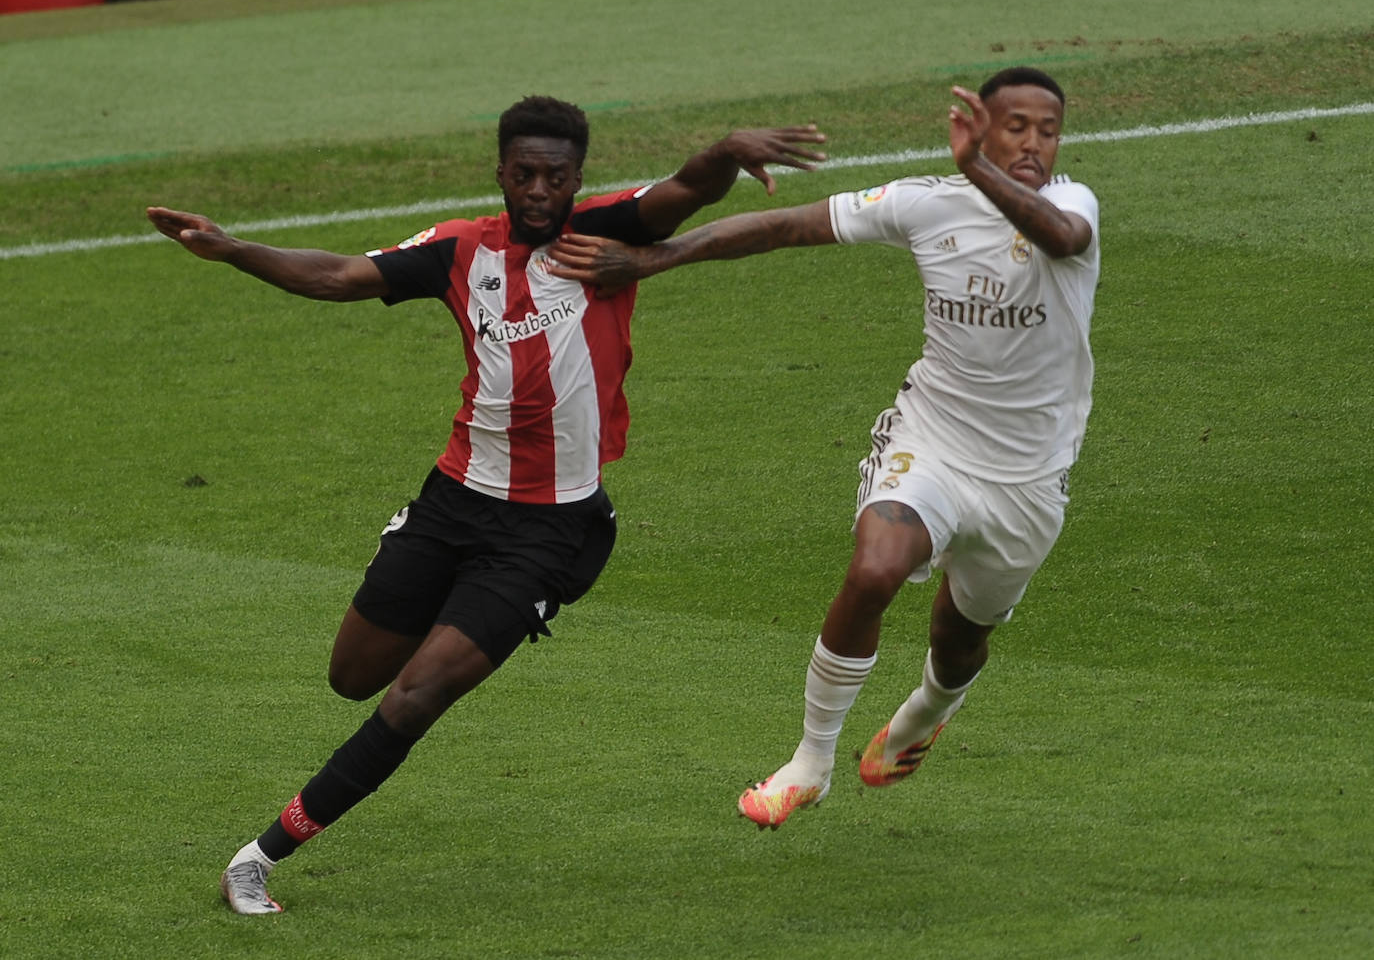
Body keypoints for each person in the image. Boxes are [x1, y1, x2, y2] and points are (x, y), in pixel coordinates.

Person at [147, 96, 827, 911]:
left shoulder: (613, 232)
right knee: (353, 677)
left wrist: (725, 149)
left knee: (415, 696)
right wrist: (230, 250)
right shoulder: (458, 250)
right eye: (524, 174)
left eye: (557, 176)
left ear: (580, 177)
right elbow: (336, 276)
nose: (540, 190)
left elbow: (689, 190)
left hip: (547, 533)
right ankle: (429, 584)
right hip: (451, 505)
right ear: (501, 172)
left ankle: (257, 857)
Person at [548, 67, 1100, 829]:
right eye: (1016, 128)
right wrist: (652, 261)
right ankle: (810, 762)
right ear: (979, 125)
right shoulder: (922, 203)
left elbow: (1061, 238)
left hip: (1029, 479)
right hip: (933, 439)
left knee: (959, 637)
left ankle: (933, 706)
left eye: (1047, 130)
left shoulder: (1074, 206)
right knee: (874, 568)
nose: (1034, 143)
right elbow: (782, 227)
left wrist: (977, 167)